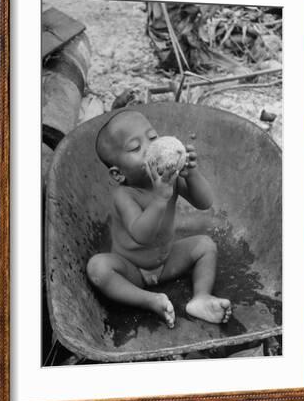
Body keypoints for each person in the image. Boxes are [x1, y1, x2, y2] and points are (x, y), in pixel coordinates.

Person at [86, 109, 232, 328]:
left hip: (167, 261)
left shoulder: (169, 179)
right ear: (119, 174)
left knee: (206, 245)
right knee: (98, 268)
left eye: (153, 138)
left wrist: (192, 174)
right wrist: (159, 199)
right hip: (131, 269)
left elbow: (205, 203)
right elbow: (141, 235)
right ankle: (150, 300)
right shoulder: (124, 195)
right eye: (136, 148)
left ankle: (201, 297)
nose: (151, 148)